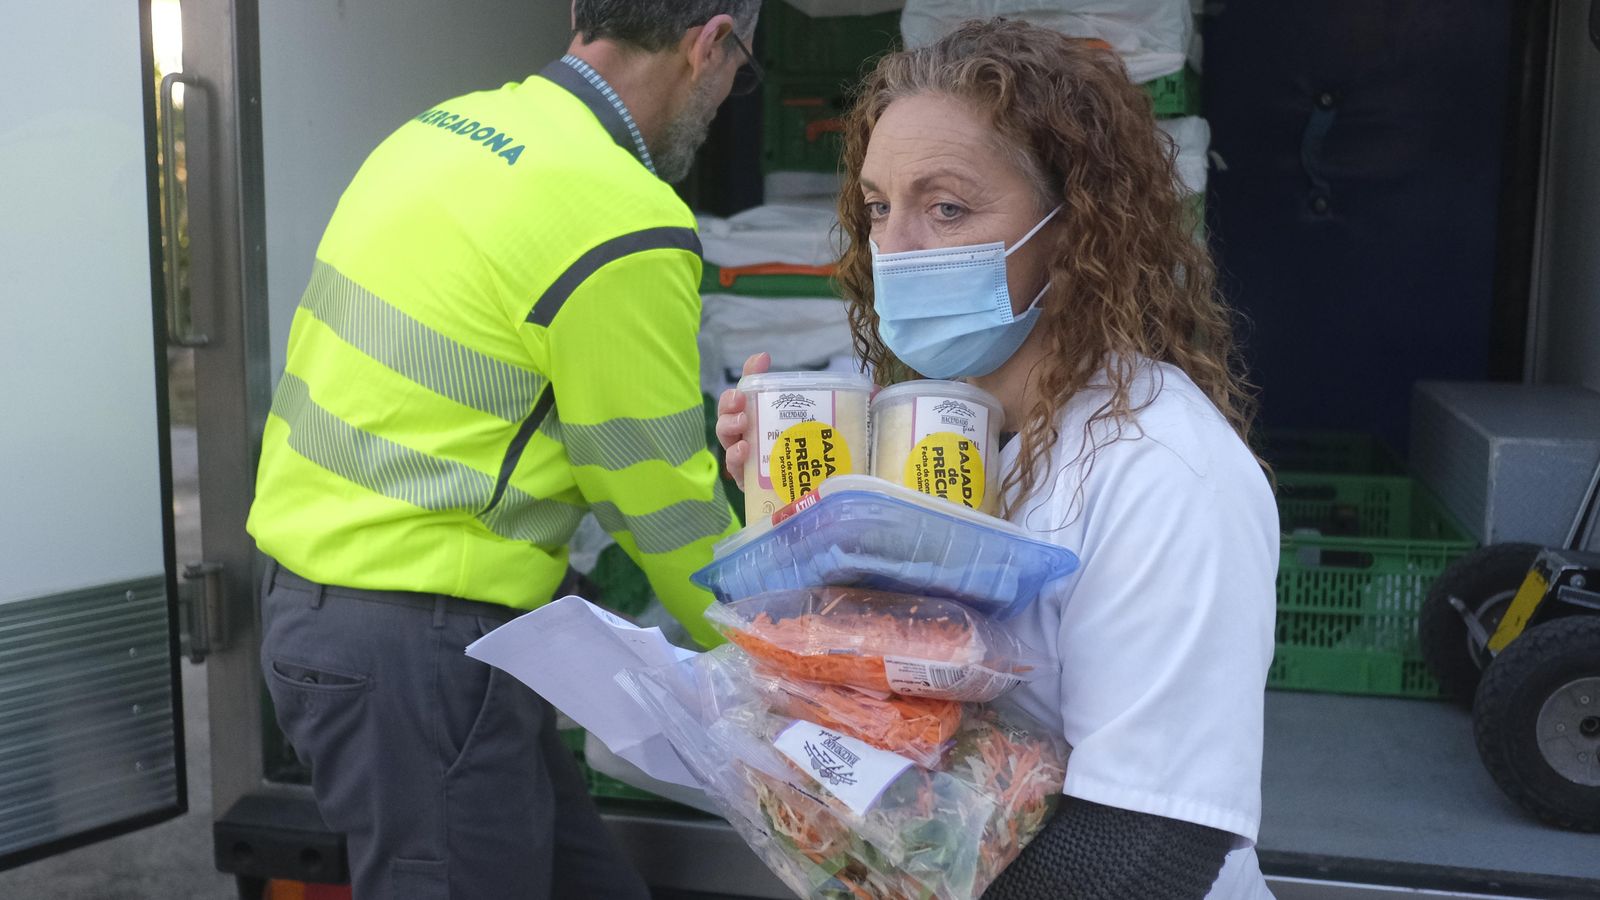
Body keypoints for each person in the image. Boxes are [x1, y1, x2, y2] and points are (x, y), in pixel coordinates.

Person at [716, 18, 1279, 900]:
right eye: (876, 206)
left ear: (1072, 226)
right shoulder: (953, 432)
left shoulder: (1165, 469)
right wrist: (772, 505)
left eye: (946, 207)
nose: (891, 247)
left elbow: (1149, 851)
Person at [246, 2, 762, 897]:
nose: (725, 95)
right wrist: (779, 659)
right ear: (709, 44)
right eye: (737, 70)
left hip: (324, 617)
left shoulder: (436, 132)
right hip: (423, 651)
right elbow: (656, 491)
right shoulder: (623, 217)